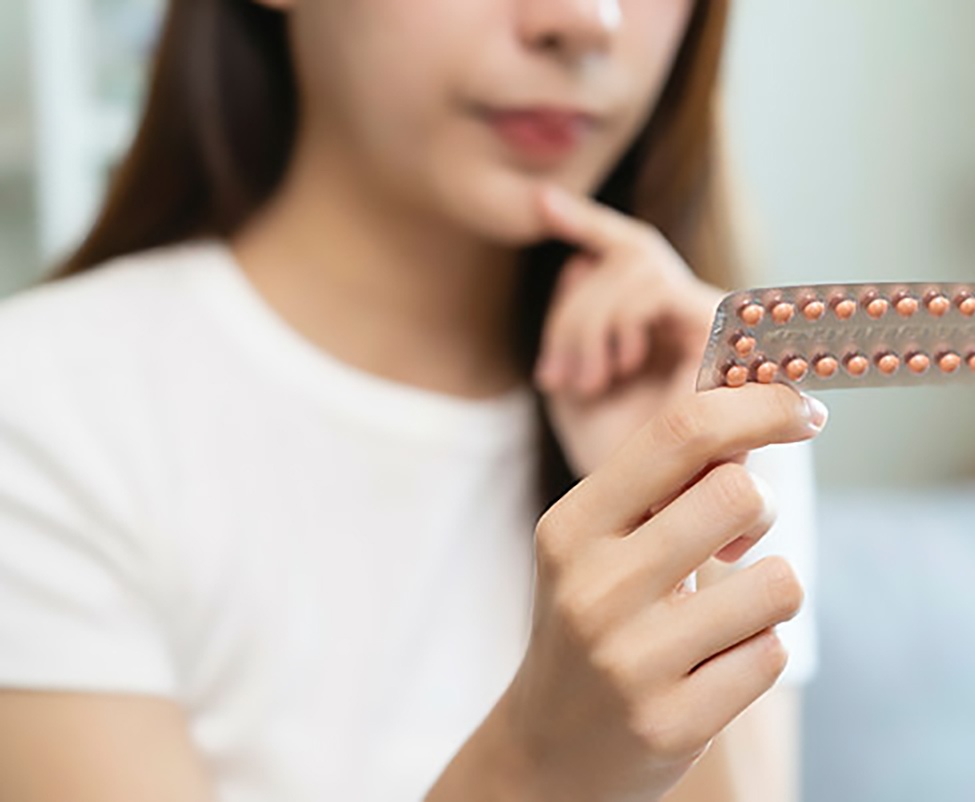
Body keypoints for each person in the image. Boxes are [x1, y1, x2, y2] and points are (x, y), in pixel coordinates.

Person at [0, 0, 829, 799]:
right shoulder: (43, 409)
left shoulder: (696, 392)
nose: (585, 17)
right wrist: (536, 769)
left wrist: (684, 509)